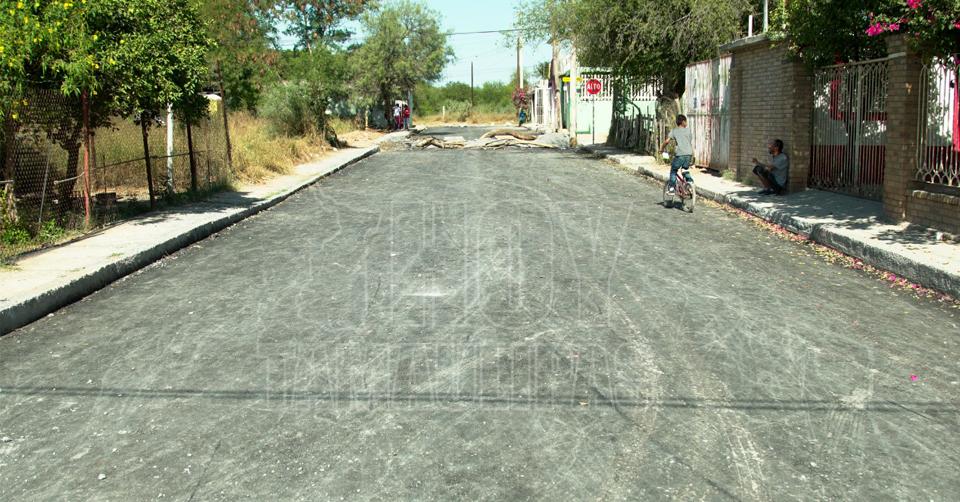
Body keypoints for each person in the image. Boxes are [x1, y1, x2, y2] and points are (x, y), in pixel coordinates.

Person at [659, 114, 694, 194]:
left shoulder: (674, 131)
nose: (686, 123)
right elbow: (689, 142)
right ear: (683, 122)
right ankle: (690, 182)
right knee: (685, 170)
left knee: (673, 171)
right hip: (689, 154)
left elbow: (667, 141)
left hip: (680, 154)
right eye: (686, 121)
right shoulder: (688, 131)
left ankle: (671, 188)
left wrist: (661, 148)